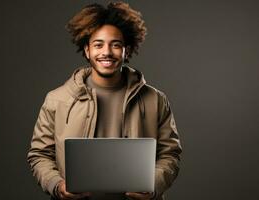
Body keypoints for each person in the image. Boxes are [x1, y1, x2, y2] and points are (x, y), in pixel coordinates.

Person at [27, 2, 182, 200]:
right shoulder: (57, 99)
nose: (106, 52)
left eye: (115, 45)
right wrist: (57, 185)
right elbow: (39, 154)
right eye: (98, 44)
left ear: (126, 50)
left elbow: (170, 154)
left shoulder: (156, 100)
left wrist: (153, 185)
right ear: (87, 50)